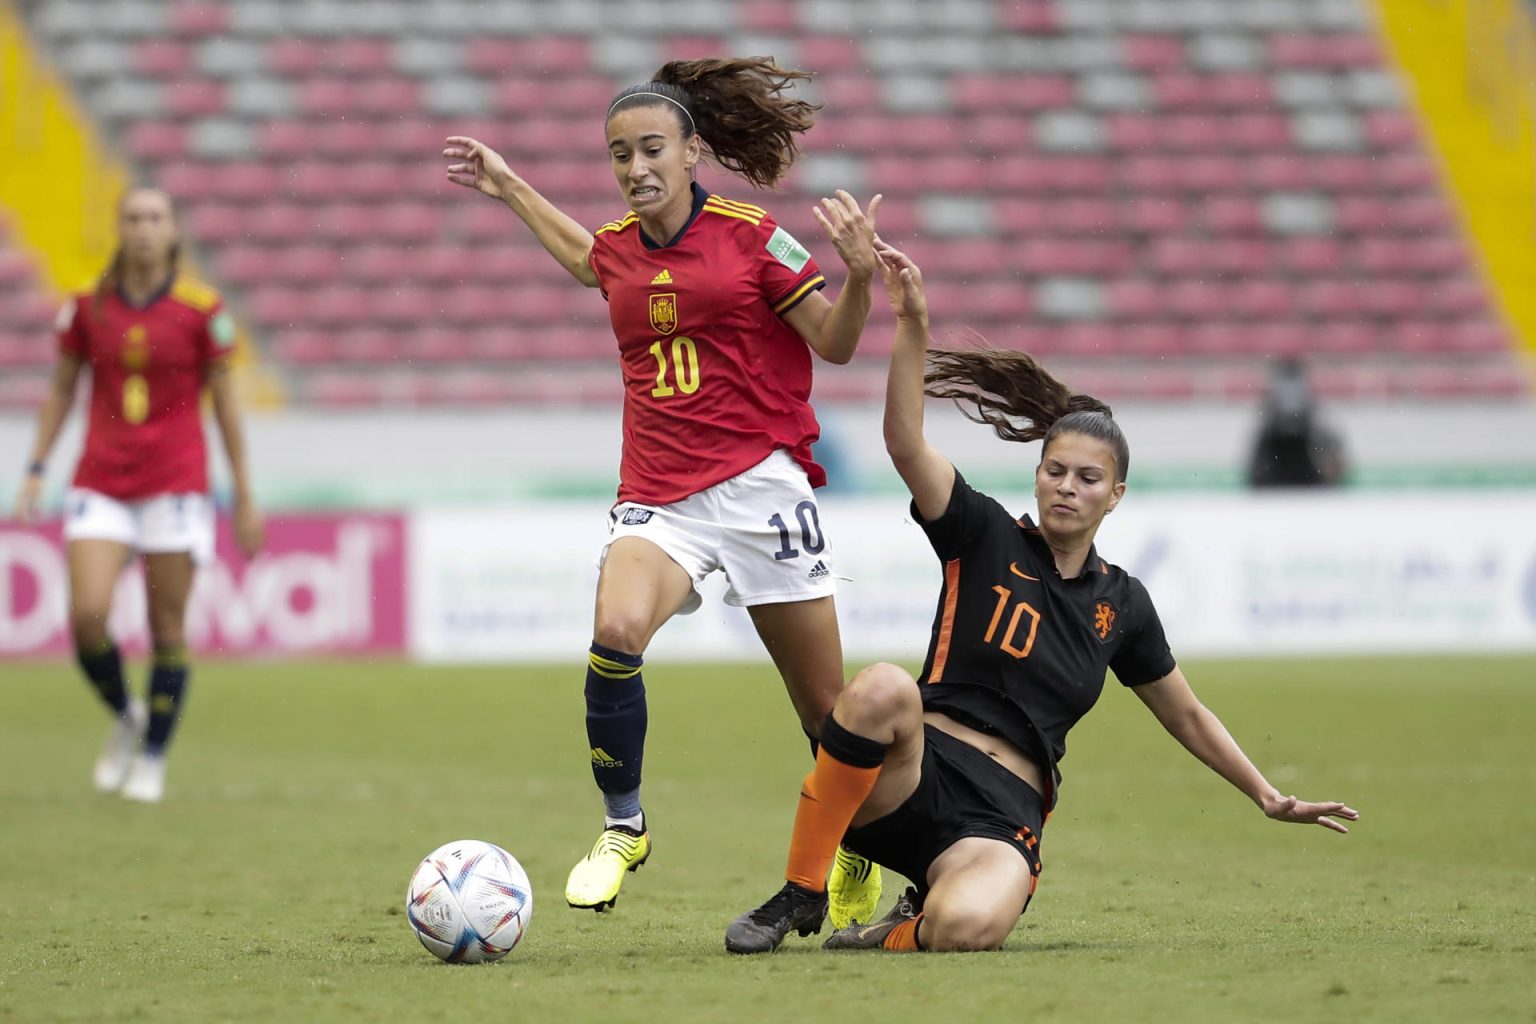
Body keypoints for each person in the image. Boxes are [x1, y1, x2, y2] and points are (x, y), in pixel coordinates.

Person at [725, 241, 1358, 954]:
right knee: (879, 688)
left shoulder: (1124, 603)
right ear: (1037, 476)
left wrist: (1266, 794)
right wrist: (914, 329)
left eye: (1088, 478)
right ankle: (800, 892)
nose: (1067, 486)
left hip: (1000, 819)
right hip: (912, 774)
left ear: (1116, 495)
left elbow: (1185, 713)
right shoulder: (983, 532)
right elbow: (905, 442)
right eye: (1056, 470)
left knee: (968, 929)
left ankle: (898, 927)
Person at [442, 57, 887, 920]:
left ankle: (859, 849)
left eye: (651, 149)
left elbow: (833, 344)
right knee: (614, 629)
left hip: (762, 489)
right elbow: (586, 257)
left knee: (826, 713)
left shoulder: (754, 235)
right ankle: (624, 826)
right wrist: (507, 186)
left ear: (692, 153)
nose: (635, 168)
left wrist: (862, 277)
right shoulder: (615, 250)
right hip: (661, 496)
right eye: (619, 155)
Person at [12, 187, 264, 803]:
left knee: (166, 627)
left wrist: (245, 493)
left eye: (155, 218)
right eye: (133, 218)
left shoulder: (203, 309)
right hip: (100, 478)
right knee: (87, 615)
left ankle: (152, 754)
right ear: (119, 229)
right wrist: (38, 465)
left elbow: (226, 406)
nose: (144, 228)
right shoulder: (85, 308)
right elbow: (62, 391)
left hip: (176, 481)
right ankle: (127, 714)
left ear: (173, 231)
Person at [1247, 357, 1347, 488]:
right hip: (1279, 485)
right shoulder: (1268, 431)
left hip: (1304, 485)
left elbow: (1335, 471)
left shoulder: (1317, 431)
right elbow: (1256, 475)